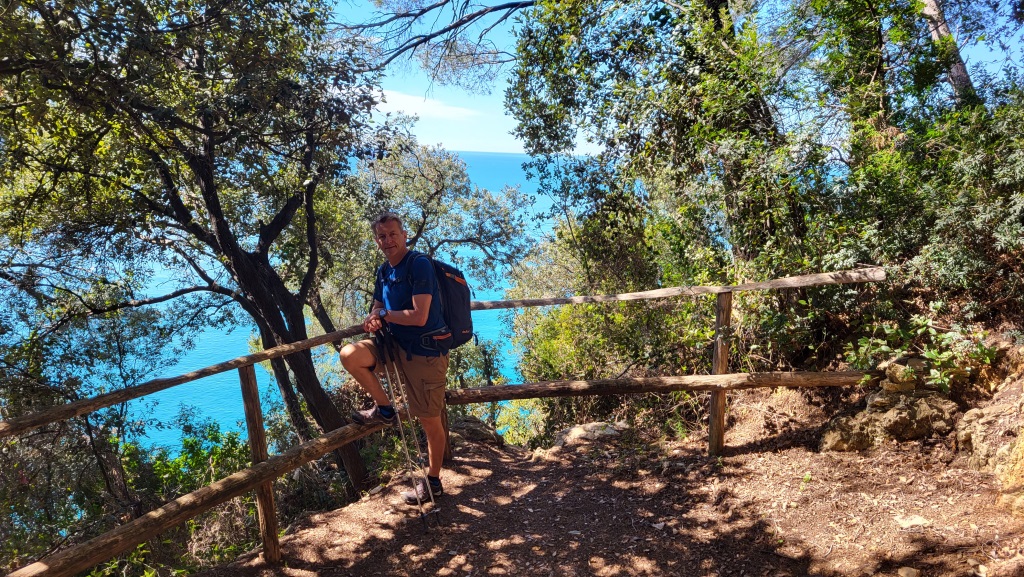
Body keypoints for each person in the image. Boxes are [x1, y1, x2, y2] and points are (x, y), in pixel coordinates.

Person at [340, 211, 450, 505]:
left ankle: (433, 481)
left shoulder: (419, 264)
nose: (388, 240)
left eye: (392, 234)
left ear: (404, 236)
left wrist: (384, 314)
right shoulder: (383, 271)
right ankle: (385, 408)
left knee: (430, 422)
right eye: (382, 236)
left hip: (424, 352)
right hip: (391, 346)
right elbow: (377, 307)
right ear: (377, 241)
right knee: (350, 355)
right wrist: (373, 318)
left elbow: (419, 316)